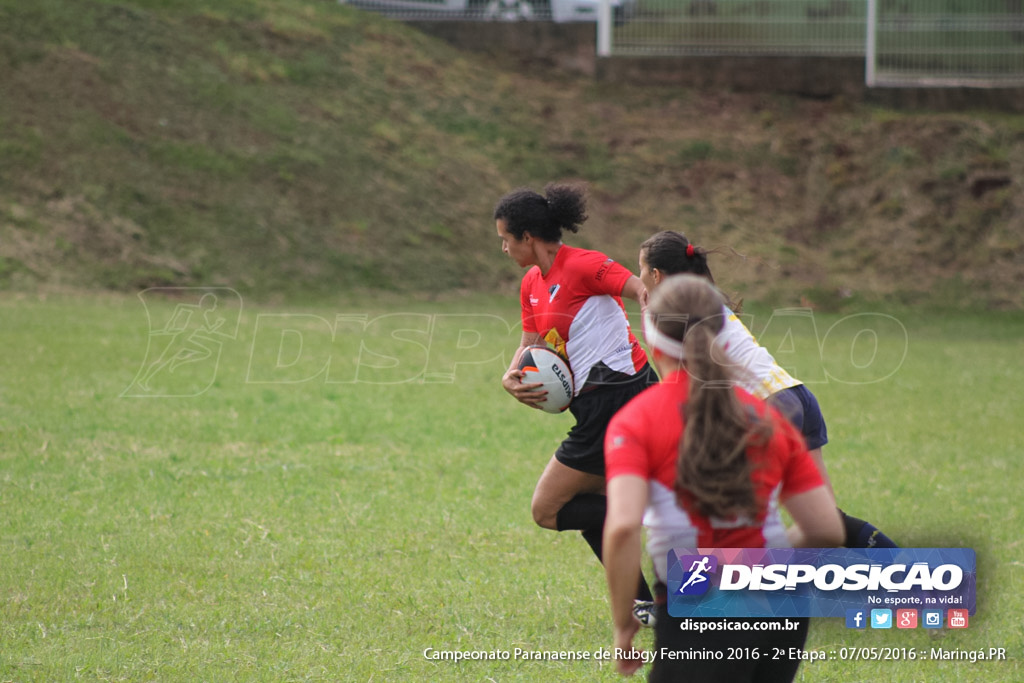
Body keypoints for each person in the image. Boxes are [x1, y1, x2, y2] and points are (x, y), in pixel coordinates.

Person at [603, 274, 845, 681]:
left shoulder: (637, 419)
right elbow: (826, 530)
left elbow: (624, 526)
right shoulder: (769, 418)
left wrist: (622, 622)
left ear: (652, 336)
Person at [638, 230, 897, 550]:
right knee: (826, 521)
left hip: (769, 409)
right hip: (797, 395)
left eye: (641, 270)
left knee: (725, 521)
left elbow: (684, 380)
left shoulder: (681, 315)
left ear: (656, 275)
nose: (639, 279)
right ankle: (915, 572)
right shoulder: (707, 302)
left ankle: (743, 581)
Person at [494, 182, 658, 622]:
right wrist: (511, 378)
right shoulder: (531, 282)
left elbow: (638, 288)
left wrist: (659, 314)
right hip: (596, 407)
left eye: (505, 240)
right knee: (591, 508)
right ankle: (648, 602)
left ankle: (660, 515)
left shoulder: (584, 265)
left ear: (527, 237)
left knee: (549, 510)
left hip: (620, 397)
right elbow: (531, 344)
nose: (504, 248)